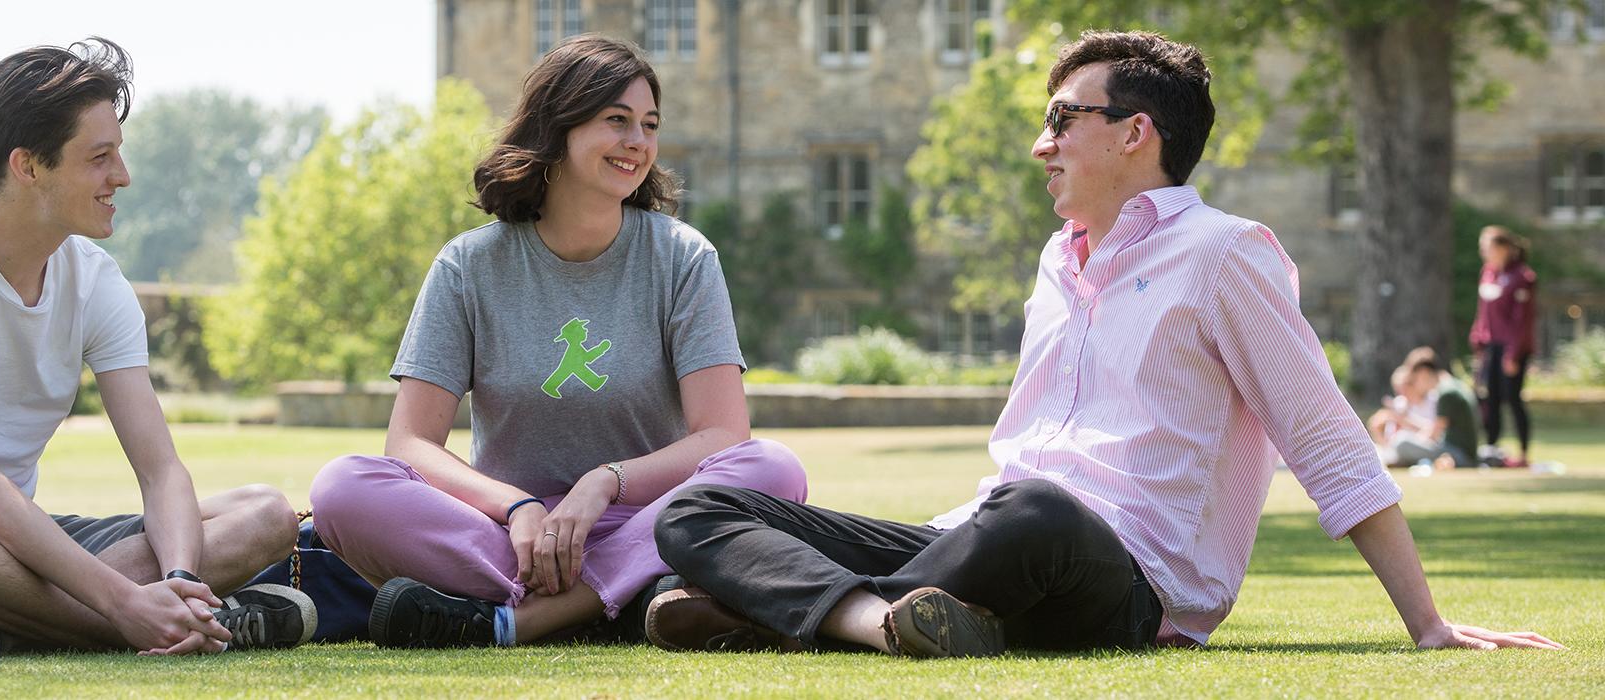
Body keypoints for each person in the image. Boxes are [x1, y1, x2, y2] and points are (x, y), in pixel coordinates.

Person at [647, 30, 1563, 657]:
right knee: (699, 508)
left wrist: (1429, 623)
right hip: (975, 537)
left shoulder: (1224, 255)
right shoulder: (1058, 260)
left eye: (1061, 120)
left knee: (1034, 513)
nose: (1040, 144)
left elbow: (1322, 435)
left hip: (1122, 579)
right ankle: (882, 622)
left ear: (1136, 133)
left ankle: (774, 611)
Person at [0, 37, 313, 658]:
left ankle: (4, 627)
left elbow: (160, 471)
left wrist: (181, 577)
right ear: (28, 166)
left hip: (11, 552)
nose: (121, 177)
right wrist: (124, 600)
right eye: (99, 158)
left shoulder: (96, 281)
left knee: (266, 514)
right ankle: (149, 625)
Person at [307, 34, 806, 649]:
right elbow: (410, 443)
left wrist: (603, 483)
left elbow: (725, 437)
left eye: (649, 124)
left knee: (774, 469)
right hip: (510, 540)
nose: (638, 142)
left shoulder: (682, 257)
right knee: (342, 486)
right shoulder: (469, 265)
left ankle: (527, 616)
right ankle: (624, 598)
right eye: (616, 121)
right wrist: (519, 509)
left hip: (652, 520)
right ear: (557, 129)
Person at [1469, 225, 1538, 467]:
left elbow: (1522, 320)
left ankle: (1524, 452)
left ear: (1503, 248)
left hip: (1512, 348)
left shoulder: (1522, 277)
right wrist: (1477, 341)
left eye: (1487, 247)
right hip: (1491, 347)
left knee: (1512, 398)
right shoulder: (1487, 273)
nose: (1483, 252)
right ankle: (1491, 449)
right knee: (1490, 398)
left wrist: (1513, 353)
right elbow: (1483, 313)